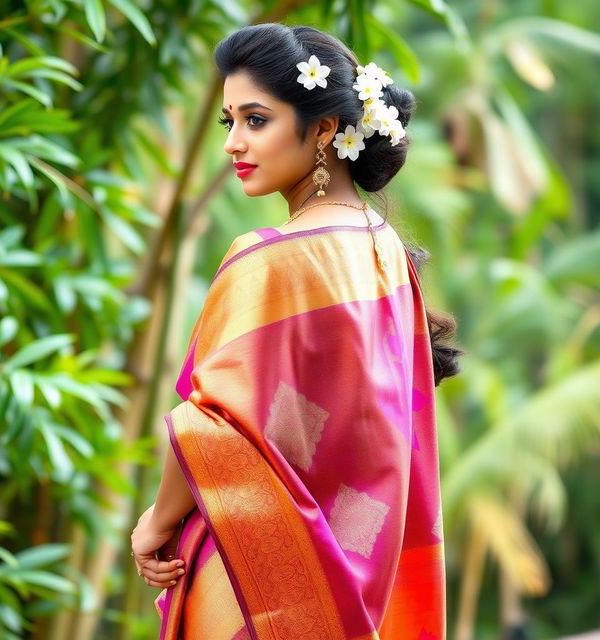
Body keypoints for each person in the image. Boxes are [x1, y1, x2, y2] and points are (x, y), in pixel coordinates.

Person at [130, 22, 463, 640]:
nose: (233, 143)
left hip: (256, 571)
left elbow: (214, 419)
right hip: (358, 567)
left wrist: (156, 521)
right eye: (229, 121)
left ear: (325, 128)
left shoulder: (267, 257)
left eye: (256, 119)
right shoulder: (384, 249)